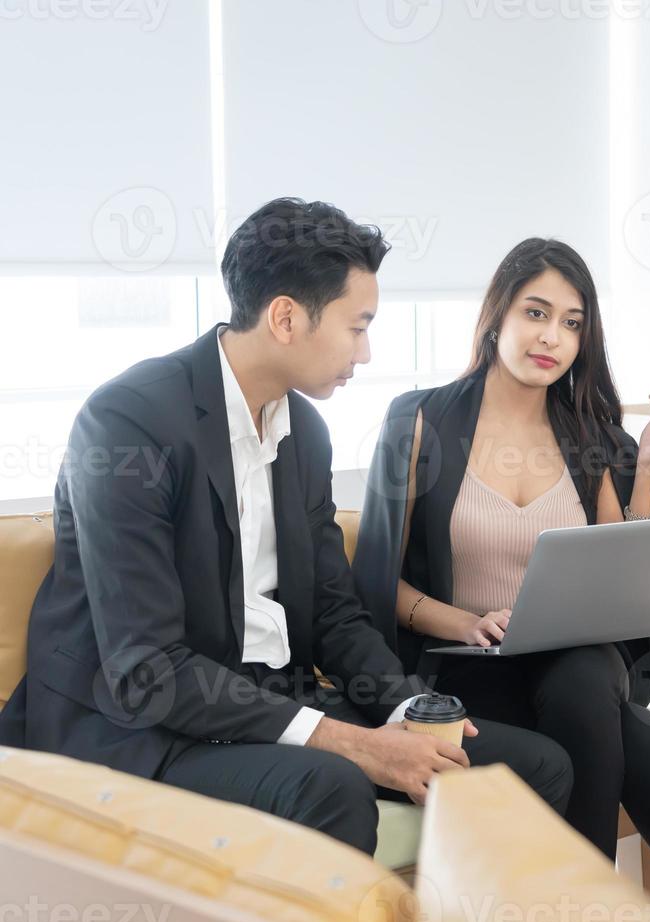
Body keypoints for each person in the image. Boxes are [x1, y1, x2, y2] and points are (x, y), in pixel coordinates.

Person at [0, 198, 571, 855]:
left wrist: (404, 712)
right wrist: (354, 744)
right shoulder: (130, 423)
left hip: (266, 700)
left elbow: (333, 612)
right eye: (357, 326)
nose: (367, 350)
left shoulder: (305, 434)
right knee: (330, 785)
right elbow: (148, 670)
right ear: (286, 317)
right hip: (139, 724)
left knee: (532, 767)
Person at [354, 238, 650, 870]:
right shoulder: (419, 420)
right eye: (536, 313)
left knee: (586, 670)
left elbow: (624, 592)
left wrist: (645, 469)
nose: (552, 338)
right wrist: (465, 622)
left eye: (571, 323)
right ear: (497, 317)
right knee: (635, 742)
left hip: (575, 671)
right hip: (464, 672)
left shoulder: (593, 436)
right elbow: (376, 581)